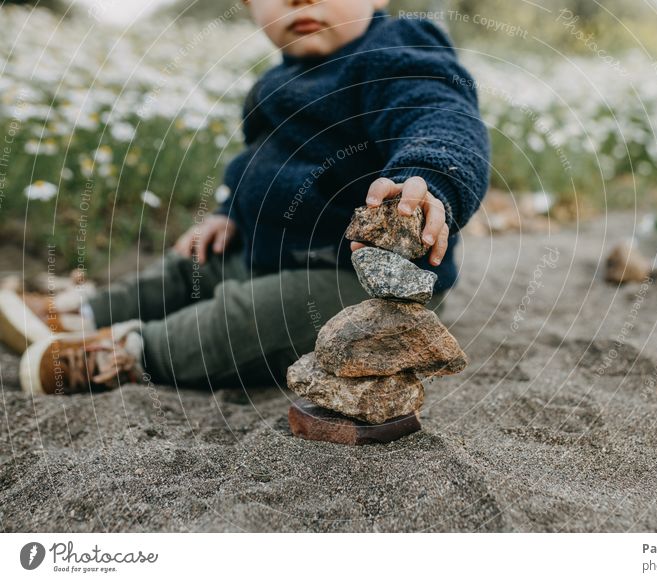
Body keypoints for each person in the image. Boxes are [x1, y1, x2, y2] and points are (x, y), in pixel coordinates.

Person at [7, 0, 490, 395]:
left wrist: (428, 179)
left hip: (362, 282)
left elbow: (439, 117)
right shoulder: (277, 81)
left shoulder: (397, 51)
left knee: (247, 316)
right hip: (265, 253)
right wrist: (227, 212)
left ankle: (128, 354)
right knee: (192, 266)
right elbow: (257, 164)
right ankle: (77, 313)